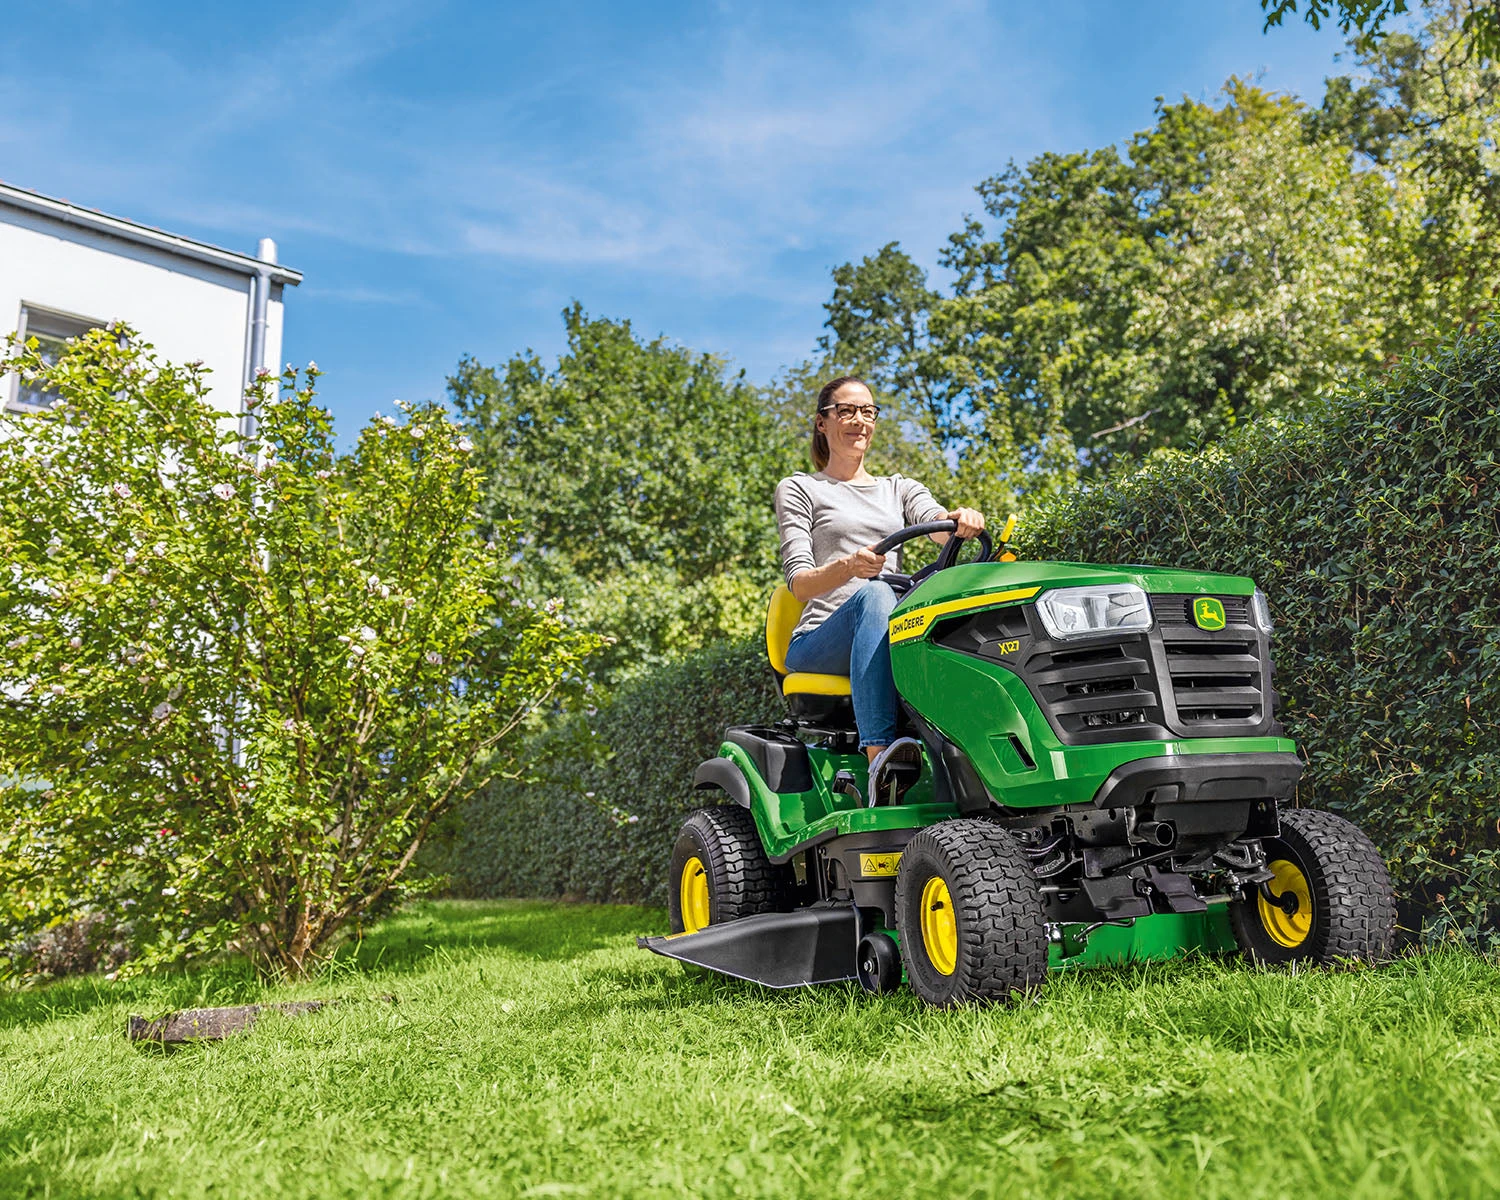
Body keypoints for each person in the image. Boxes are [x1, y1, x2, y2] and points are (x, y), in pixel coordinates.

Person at [774, 375, 985, 783]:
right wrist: (847, 568)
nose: (859, 421)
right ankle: (879, 760)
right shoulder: (801, 488)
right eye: (846, 411)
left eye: (868, 412)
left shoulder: (899, 488)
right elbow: (799, 584)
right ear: (823, 422)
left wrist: (960, 520)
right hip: (821, 639)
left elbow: (937, 524)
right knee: (876, 594)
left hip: (892, 627)